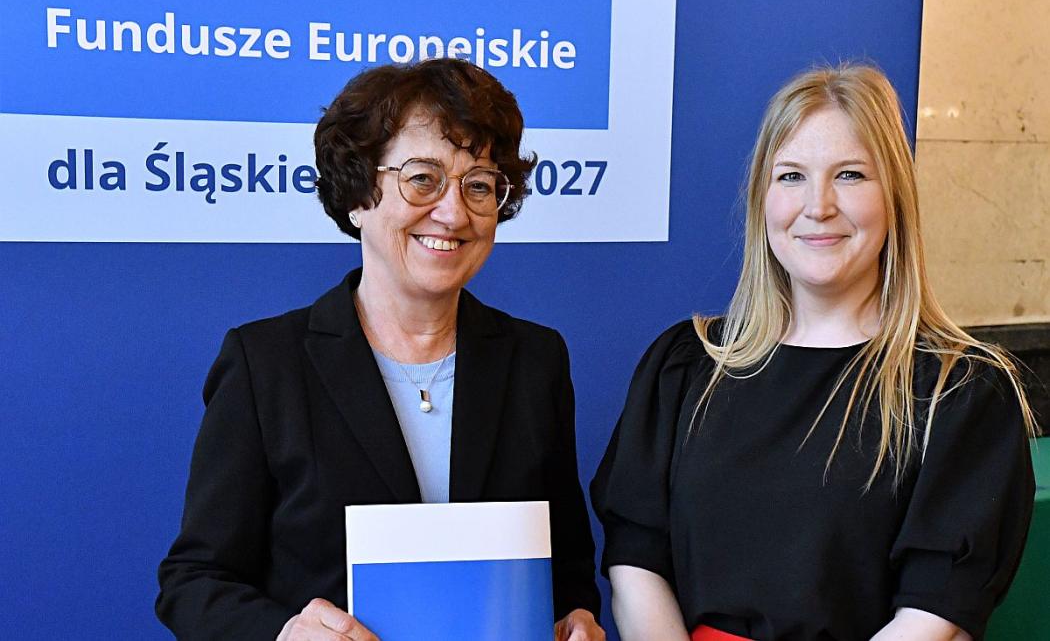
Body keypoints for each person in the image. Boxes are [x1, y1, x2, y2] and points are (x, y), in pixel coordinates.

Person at [157, 58, 604, 641]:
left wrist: (575, 618)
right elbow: (194, 581)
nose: (453, 212)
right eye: (423, 179)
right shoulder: (265, 364)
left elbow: (566, 567)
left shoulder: (536, 360)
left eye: (478, 185)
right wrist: (283, 634)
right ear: (357, 192)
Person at [591, 64, 1037, 641]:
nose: (818, 205)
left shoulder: (961, 391)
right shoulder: (687, 365)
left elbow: (935, 614)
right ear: (762, 198)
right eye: (792, 176)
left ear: (895, 196)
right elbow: (636, 561)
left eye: (850, 175)